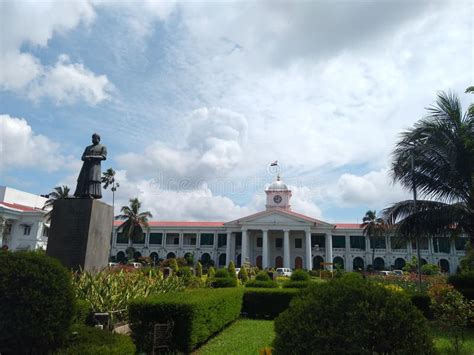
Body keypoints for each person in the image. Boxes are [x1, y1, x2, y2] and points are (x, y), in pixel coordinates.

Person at [74, 133, 107, 199]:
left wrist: (91, 157)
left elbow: (103, 157)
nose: (93, 139)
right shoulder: (88, 147)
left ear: (98, 139)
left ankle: (91, 193)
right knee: (82, 179)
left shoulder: (102, 147)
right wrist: (86, 157)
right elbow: (82, 157)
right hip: (86, 165)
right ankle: (80, 194)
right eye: (92, 138)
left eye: (95, 138)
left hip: (95, 166)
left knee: (92, 179)